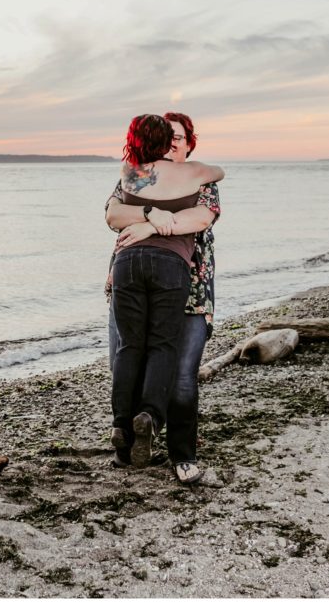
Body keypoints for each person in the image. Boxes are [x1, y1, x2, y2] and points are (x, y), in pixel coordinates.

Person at [104, 112, 220, 483]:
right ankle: (130, 447)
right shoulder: (139, 173)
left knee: (182, 378)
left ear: (189, 143)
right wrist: (151, 216)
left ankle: (182, 455)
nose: (174, 143)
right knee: (128, 359)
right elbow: (112, 212)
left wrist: (144, 224)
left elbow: (201, 218)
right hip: (138, 276)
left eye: (180, 138)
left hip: (191, 289)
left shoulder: (200, 183)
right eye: (167, 137)